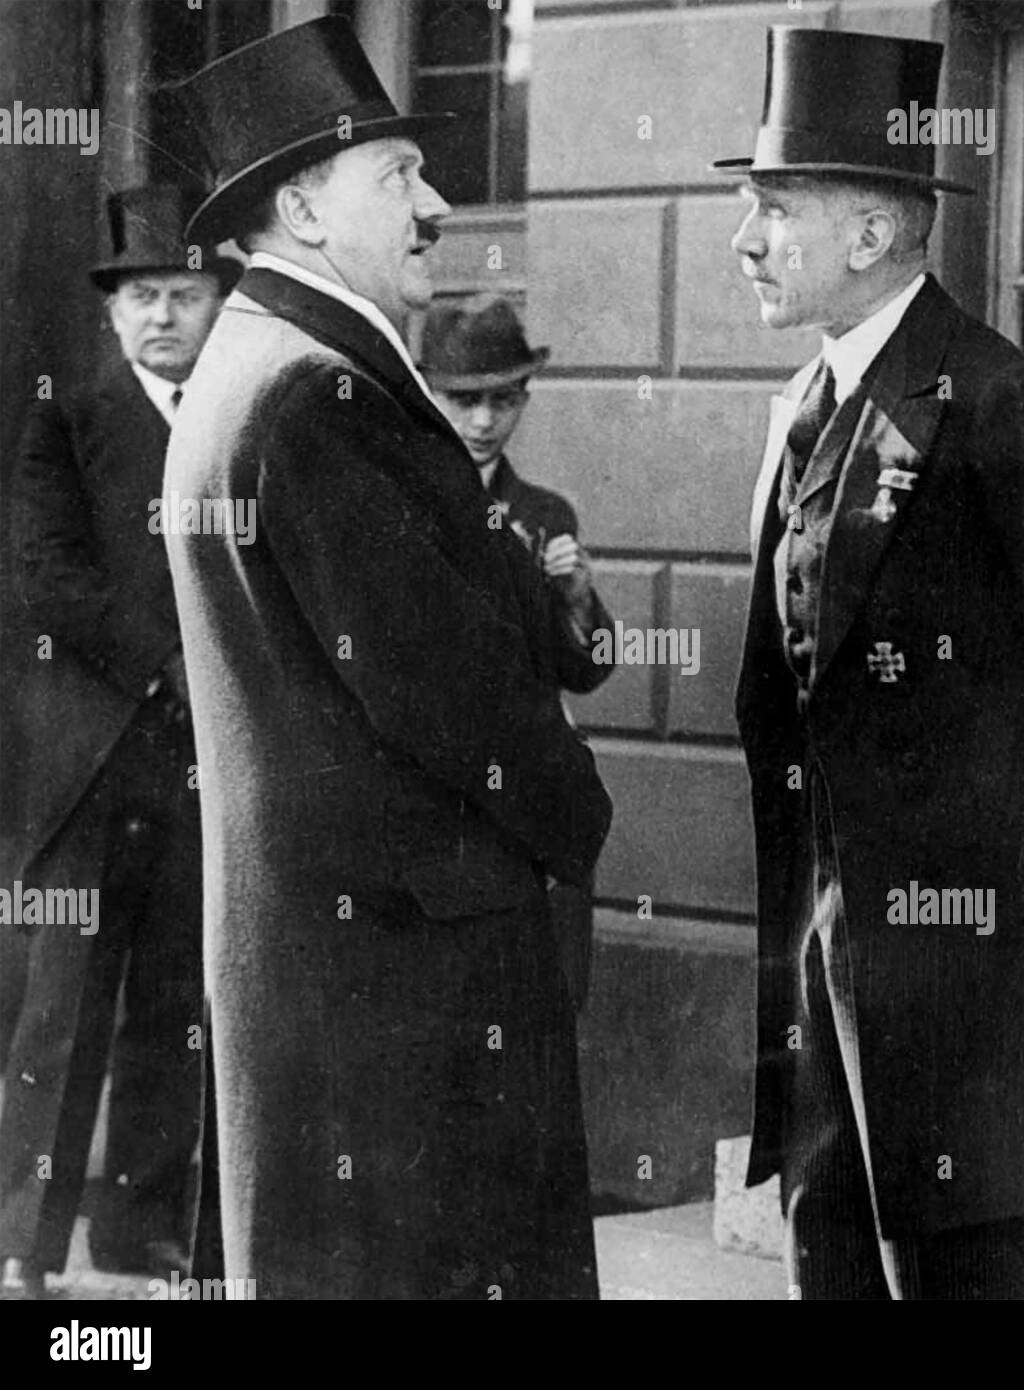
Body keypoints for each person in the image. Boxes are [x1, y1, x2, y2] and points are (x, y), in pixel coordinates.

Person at [719, 28, 1024, 1300]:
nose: (744, 242)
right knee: (834, 1263)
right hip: (819, 942)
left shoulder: (991, 398)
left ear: (869, 234)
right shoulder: (806, 400)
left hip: (965, 962)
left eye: (772, 210)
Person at [165, 17, 611, 1300]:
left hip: (340, 982)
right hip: (404, 991)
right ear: (303, 210)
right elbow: (442, 688)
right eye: (399, 178)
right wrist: (577, 813)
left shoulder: (260, 365)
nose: (437, 207)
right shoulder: (321, 390)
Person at [0, 183, 239, 1298]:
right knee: (65, 1011)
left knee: (176, 1006)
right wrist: (165, 664)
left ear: (216, 305)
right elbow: (50, 579)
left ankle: (142, 1238)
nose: (161, 316)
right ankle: (26, 1246)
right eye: (142, 295)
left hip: (210, 763)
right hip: (96, 761)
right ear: (111, 311)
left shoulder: (241, 419)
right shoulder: (69, 417)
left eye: (184, 296)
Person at [422, 294, 615, 1007]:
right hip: (441, 802)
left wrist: (575, 601)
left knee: (549, 1000)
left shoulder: (542, 513)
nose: (482, 421)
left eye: (504, 400)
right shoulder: (397, 504)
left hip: (532, 791)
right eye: (462, 400)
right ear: (427, 396)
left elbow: (588, 669)